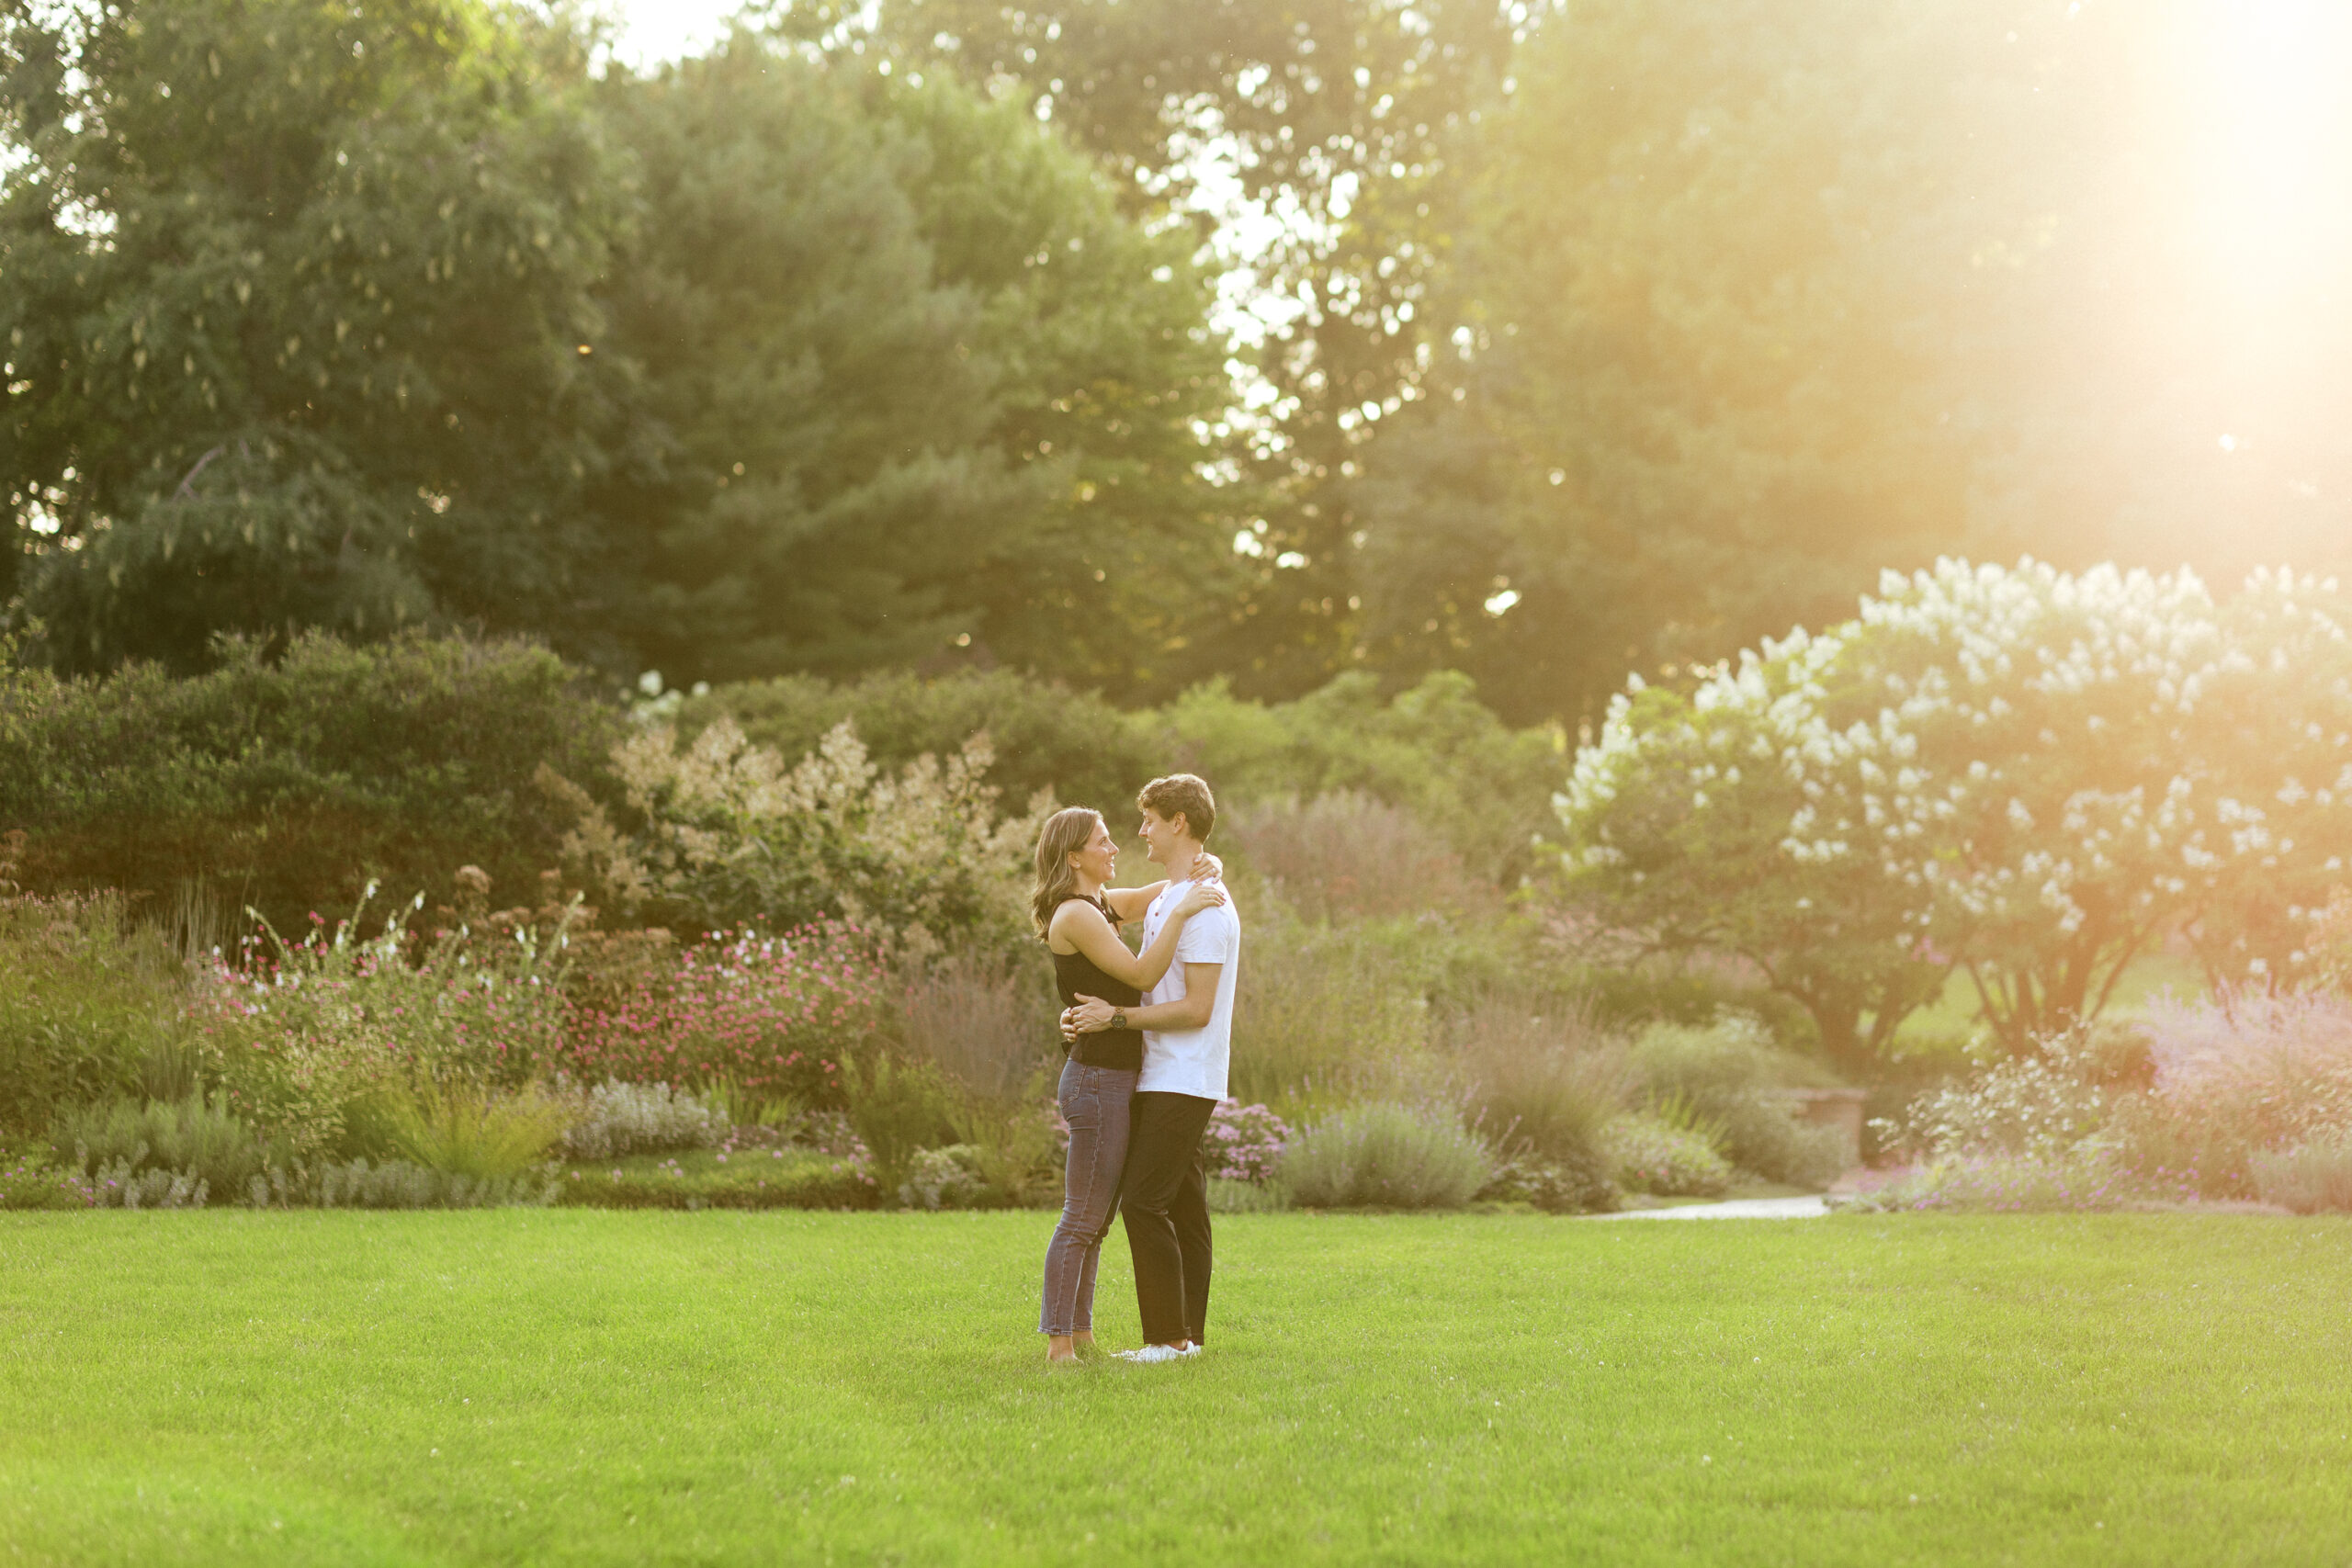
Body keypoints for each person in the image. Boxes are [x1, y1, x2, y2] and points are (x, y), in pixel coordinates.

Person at [1031, 805, 1226, 1366]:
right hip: (1095, 1080)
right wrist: (1188, 906)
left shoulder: (1101, 904)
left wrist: (1199, 867)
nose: (1115, 848)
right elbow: (1142, 976)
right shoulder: (1077, 914)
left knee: (1096, 1219)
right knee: (1082, 1218)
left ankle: (1082, 1335)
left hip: (1115, 1077)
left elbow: (1159, 889)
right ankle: (1059, 1344)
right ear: (1074, 857)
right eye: (1103, 841)